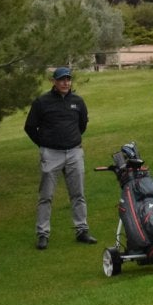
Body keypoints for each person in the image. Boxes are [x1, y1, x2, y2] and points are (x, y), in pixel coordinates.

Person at [24, 67, 96, 249]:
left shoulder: (78, 102)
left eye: (68, 79)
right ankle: (42, 233)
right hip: (51, 153)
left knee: (78, 194)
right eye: (62, 80)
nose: (65, 83)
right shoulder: (42, 102)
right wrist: (44, 144)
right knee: (46, 195)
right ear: (54, 81)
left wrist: (72, 139)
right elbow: (30, 127)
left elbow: (82, 125)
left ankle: (82, 230)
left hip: (74, 152)